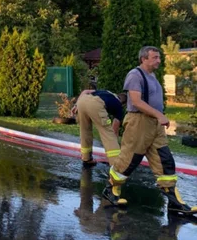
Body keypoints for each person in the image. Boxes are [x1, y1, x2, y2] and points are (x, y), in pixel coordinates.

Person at [107, 46, 197, 215]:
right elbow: (136, 101)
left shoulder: (152, 76)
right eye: (155, 57)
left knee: (165, 159)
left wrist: (158, 116)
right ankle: (112, 189)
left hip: (154, 123)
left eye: (158, 57)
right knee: (129, 159)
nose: (159, 60)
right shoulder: (135, 75)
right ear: (144, 59)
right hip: (139, 122)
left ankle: (174, 201)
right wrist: (159, 115)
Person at [75, 88, 127, 168]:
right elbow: (114, 130)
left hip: (82, 101)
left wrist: (76, 105)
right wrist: (115, 143)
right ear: (123, 103)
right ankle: (116, 166)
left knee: (85, 131)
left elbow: (85, 91)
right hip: (96, 103)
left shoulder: (106, 92)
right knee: (108, 135)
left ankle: (86, 159)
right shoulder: (119, 106)